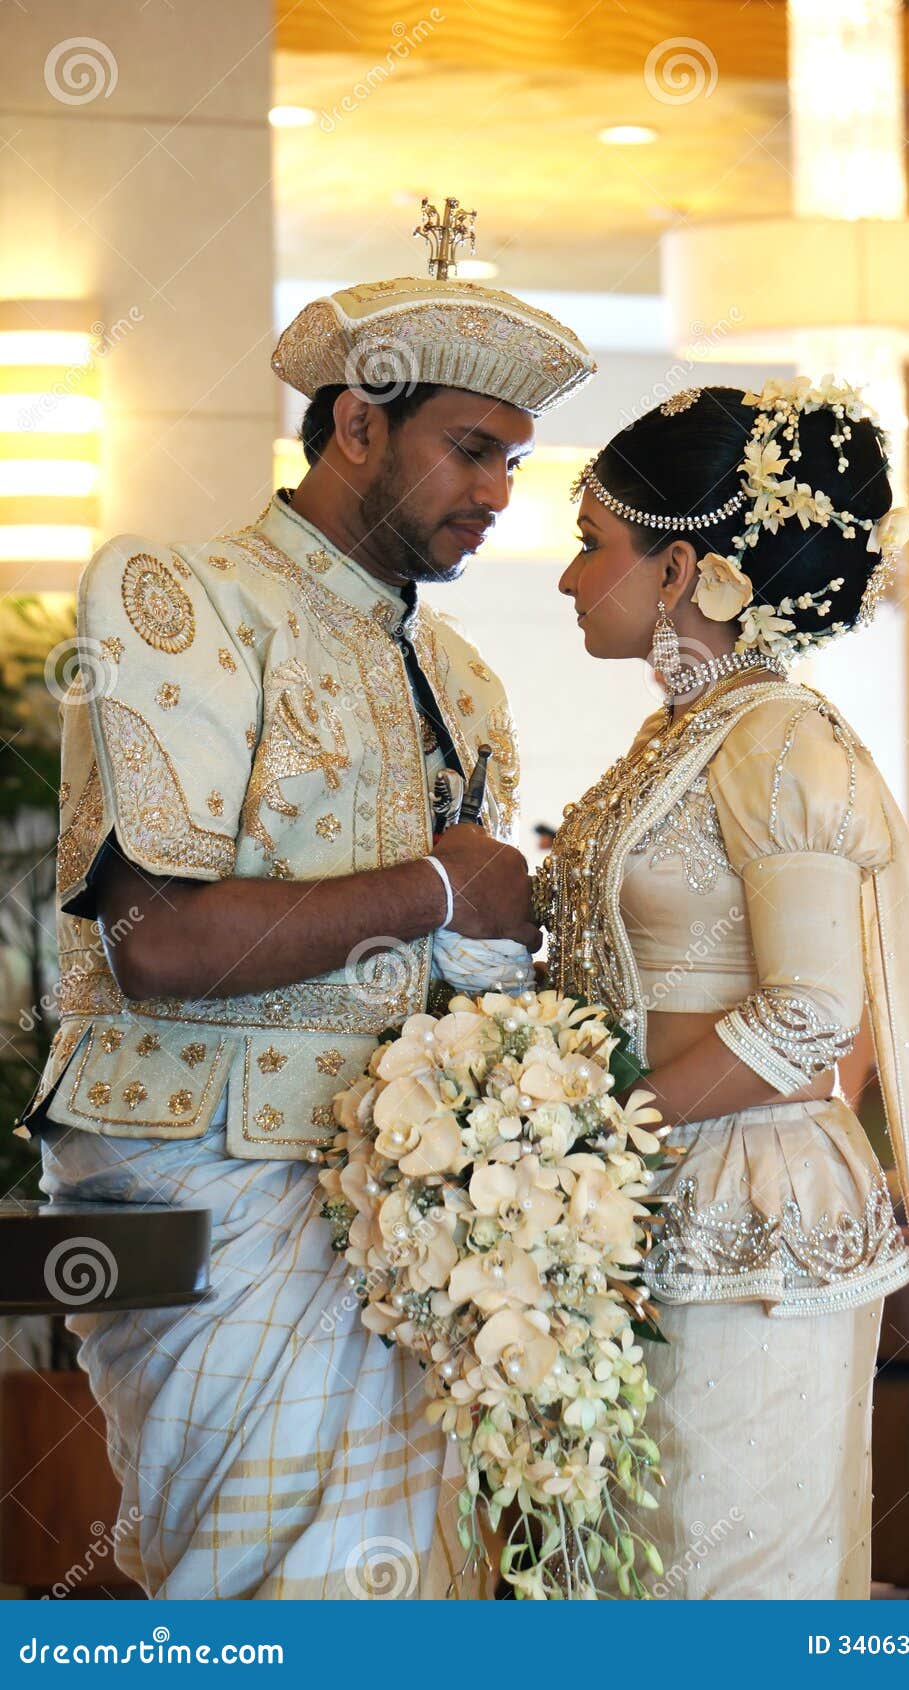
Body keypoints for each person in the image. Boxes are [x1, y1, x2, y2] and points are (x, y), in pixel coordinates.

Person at [17, 216, 597, 1598]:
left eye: (514, 460)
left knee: (410, 1591)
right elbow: (155, 943)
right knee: (275, 1592)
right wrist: (442, 884)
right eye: (471, 449)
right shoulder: (181, 603)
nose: (500, 492)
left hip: (418, 1209)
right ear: (352, 425)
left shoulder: (458, 673)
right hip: (211, 1172)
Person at [535, 378, 909, 1599]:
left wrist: (598, 1133)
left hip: (749, 1205)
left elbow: (812, 1010)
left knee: (715, 1578)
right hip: (653, 1189)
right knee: (624, 1574)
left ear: (677, 571)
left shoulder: (778, 740)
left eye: (589, 543)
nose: (568, 577)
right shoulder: (684, 735)